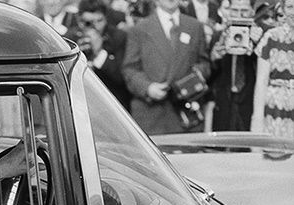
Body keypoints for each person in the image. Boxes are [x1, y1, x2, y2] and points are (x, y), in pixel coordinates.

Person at [122, 0, 211, 134]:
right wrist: (148, 88)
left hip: (186, 115)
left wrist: (193, 79)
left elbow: (205, 63)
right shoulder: (139, 29)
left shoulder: (195, 26)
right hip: (152, 115)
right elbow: (129, 69)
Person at [208, 0, 261, 131]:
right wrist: (214, 58)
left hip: (250, 104)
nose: (239, 15)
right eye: (235, 11)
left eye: (244, 11)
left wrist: (256, 44)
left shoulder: (261, 36)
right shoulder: (219, 36)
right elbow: (210, 76)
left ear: (252, 12)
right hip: (224, 105)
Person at [75, 0, 132, 110]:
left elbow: (123, 78)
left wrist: (99, 53)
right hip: (81, 105)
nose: (95, 27)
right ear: (79, 21)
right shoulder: (70, 38)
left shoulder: (119, 37)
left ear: (106, 18)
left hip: (113, 104)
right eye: (88, 22)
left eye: (99, 21)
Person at [251, 0, 294, 138]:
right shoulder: (271, 37)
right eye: (290, 7)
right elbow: (261, 82)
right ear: (283, 9)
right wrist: (257, 120)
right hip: (275, 108)